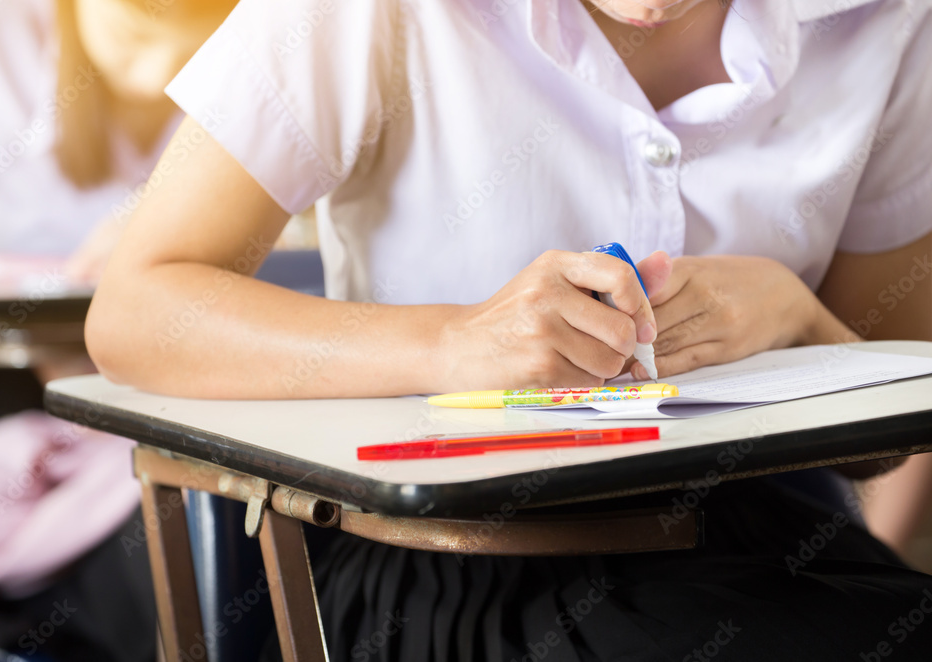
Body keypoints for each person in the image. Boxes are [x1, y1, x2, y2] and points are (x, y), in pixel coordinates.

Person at [86, 0, 932, 659]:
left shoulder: (888, 22)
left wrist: (800, 316)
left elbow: (884, 440)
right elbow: (137, 310)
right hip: (441, 563)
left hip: (752, 540)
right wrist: (452, 343)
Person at [0, 0, 236, 659]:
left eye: (192, 51)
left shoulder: (278, 50)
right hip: (17, 395)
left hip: (193, 403)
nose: (157, 76)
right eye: (131, 37)